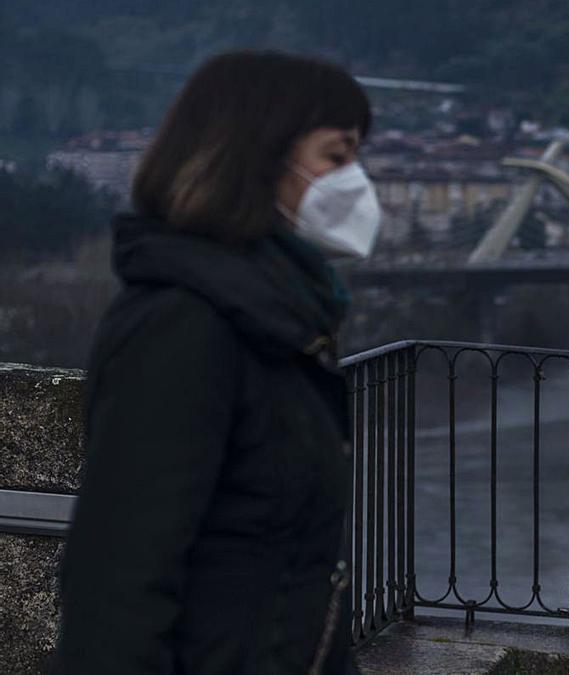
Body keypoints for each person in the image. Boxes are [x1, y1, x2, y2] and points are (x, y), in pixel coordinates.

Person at [55, 51, 381, 674]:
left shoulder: (280, 319)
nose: (355, 180)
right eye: (336, 156)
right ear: (259, 154)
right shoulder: (185, 326)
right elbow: (117, 591)